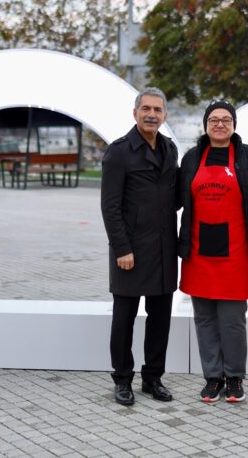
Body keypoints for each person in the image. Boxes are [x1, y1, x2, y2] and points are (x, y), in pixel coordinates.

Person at [178, 100, 248, 404]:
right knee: (204, 318)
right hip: (198, 250)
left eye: (226, 119)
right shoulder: (191, 159)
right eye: (214, 119)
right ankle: (213, 378)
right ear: (205, 124)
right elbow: (174, 198)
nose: (219, 124)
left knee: (232, 319)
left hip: (236, 251)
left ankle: (235, 377)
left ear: (234, 125)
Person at [100, 87, 179, 406]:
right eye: (145, 108)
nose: (151, 114)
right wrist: (122, 249)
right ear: (135, 113)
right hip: (130, 252)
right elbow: (110, 207)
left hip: (164, 250)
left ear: (164, 116)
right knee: (124, 320)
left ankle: (152, 378)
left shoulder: (170, 148)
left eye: (157, 110)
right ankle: (122, 379)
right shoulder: (119, 152)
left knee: (160, 320)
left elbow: (175, 198)